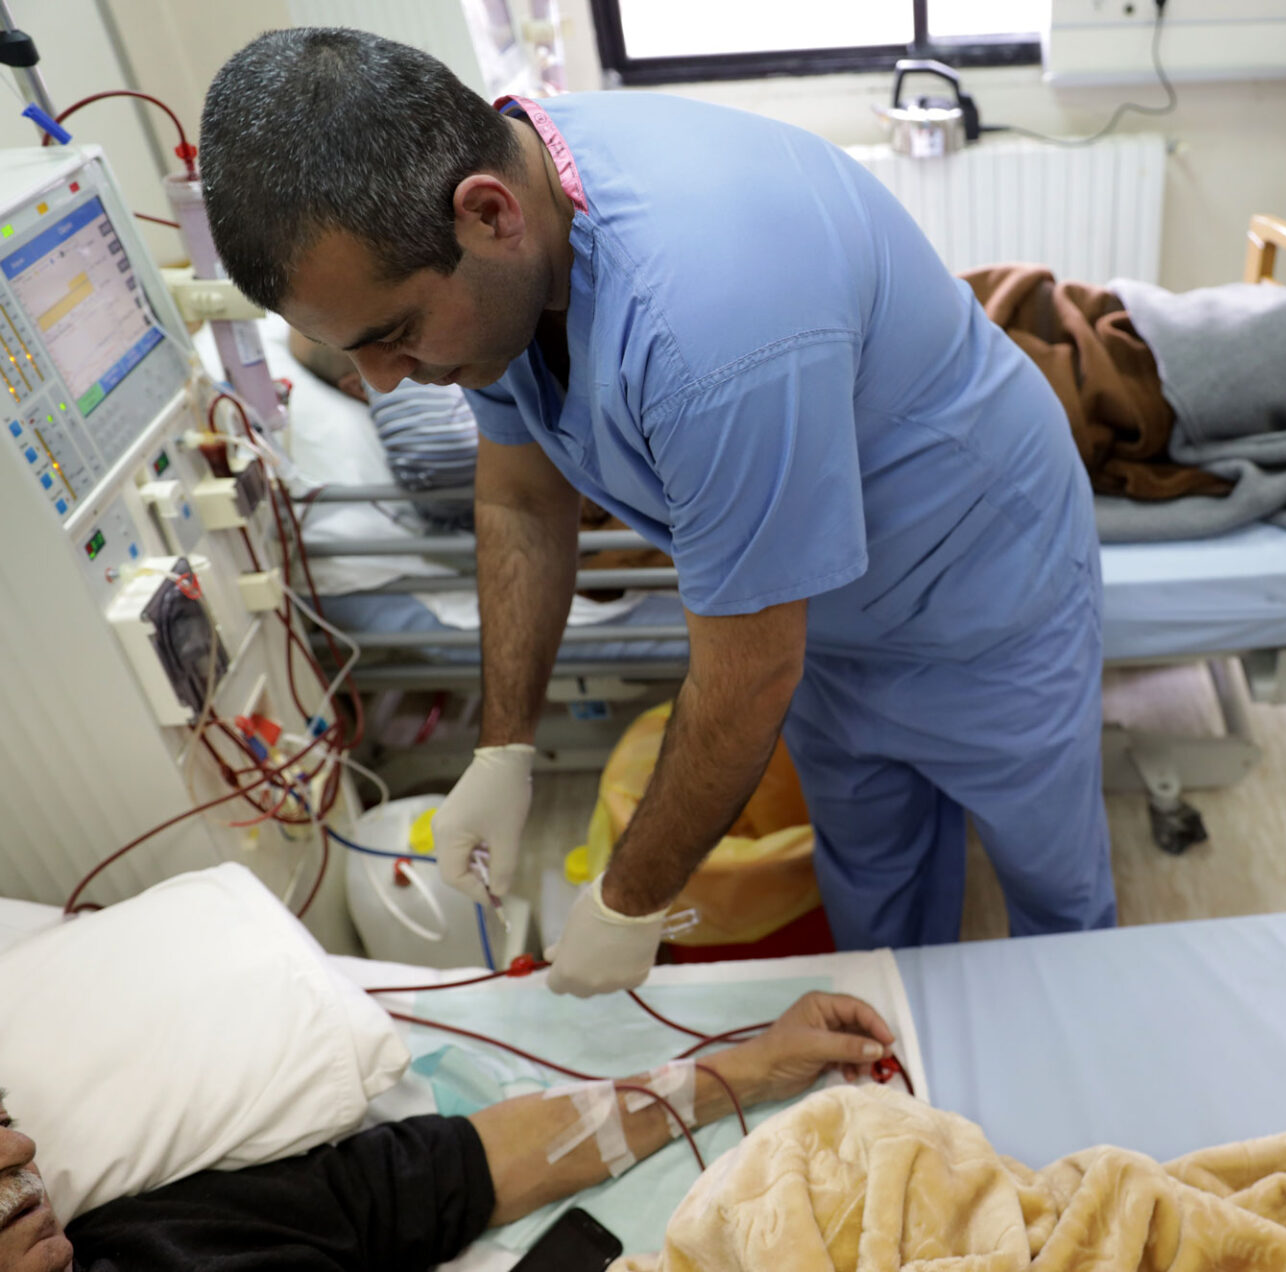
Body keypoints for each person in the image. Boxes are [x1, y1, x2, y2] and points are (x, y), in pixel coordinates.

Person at [199, 28, 1115, 986]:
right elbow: (518, 497)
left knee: (1054, 897)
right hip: (829, 625)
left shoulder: (708, 329)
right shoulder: (496, 244)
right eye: (357, 353)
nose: (385, 383)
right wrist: (504, 746)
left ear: (488, 213)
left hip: (984, 594)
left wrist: (627, 899)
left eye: (393, 337)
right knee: (876, 901)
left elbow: (752, 671)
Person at [0, 992, 894, 1271]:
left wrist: (740, 1072)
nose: (21, 1155)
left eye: (2, 1119)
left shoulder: (164, 1236)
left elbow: (459, 1169)